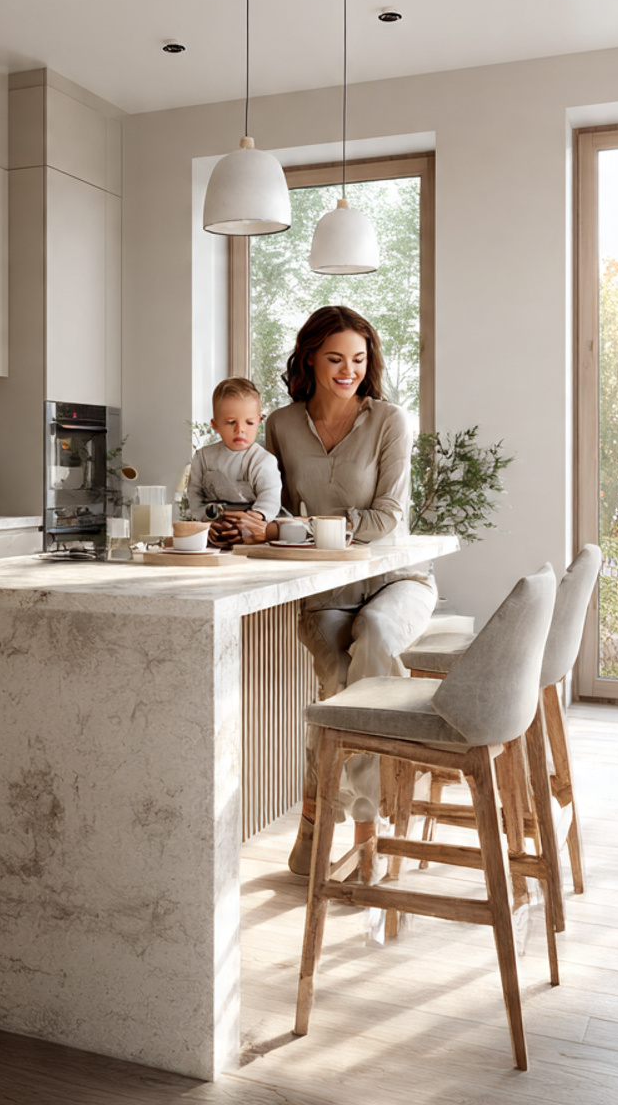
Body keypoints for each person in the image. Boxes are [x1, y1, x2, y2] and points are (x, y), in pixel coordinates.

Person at [211, 306, 435, 876]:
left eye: (358, 360)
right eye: (335, 358)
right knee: (341, 681)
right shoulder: (281, 425)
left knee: (377, 633)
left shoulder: (389, 421)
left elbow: (388, 518)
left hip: (396, 581)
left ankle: (341, 824)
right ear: (310, 357)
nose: (348, 370)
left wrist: (303, 530)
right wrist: (236, 521)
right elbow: (273, 505)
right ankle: (362, 826)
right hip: (327, 592)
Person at [185, 377, 281, 523]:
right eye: (231, 422)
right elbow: (194, 494)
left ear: (258, 423)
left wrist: (255, 518)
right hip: (212, 525)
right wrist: (204, 519)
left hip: (250, 527)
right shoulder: (203, 457)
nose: (240, 429)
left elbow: (270, 496)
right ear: (215, 425)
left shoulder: (263, 460)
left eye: (249, 422)